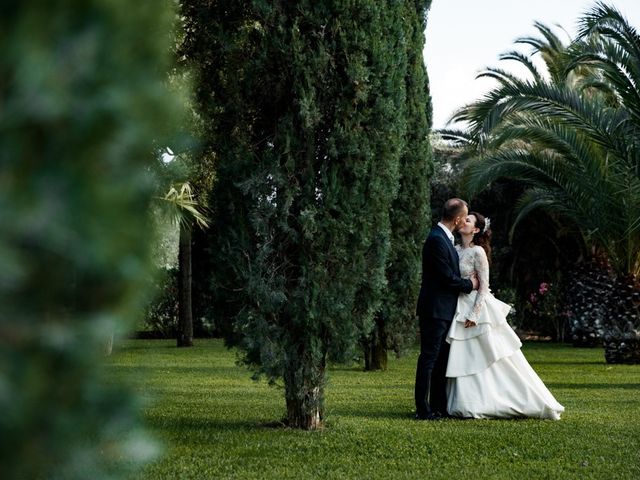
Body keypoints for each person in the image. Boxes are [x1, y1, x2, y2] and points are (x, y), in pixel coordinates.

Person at [446, 212, 565, 419]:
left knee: (488, 354)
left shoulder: (478, 252)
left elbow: (484, 287)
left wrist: (475, 314)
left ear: (475, 230)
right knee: (465, 355)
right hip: (458, 304)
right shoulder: (455, 250)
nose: (462, 222)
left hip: (477, 307)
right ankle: (463, 402)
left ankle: (502, 400)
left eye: (468, 220)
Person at [415, 198, 479, 420]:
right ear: (458, 219)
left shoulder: (445, 238)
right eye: (466, 216)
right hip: (434, 310)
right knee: (429, 359)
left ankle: (439, 407)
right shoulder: (436, 240)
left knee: (441, 360)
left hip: (444, 310)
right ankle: (423, 410)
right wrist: (470, 285)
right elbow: (446, 278)